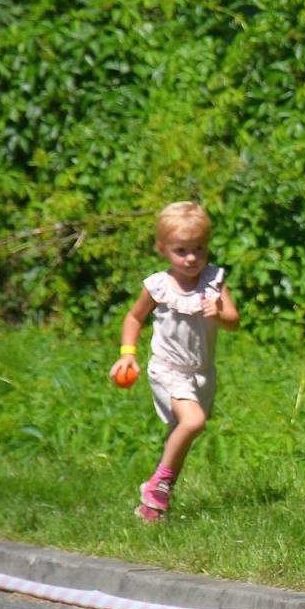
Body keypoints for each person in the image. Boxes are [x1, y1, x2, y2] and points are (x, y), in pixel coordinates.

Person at [109, 201, 240, 523]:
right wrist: (128, 354)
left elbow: (234, 321)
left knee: (176, 440)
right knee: (193, 422)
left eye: (199, 249)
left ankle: (153, 505)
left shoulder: (214, 281)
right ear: (163, 248)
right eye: (182, 250)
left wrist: (219, 314)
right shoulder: (158, 286)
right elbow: (133, 317)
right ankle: (158, 485)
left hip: (202, 373)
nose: (192, 257)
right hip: (168, 369)